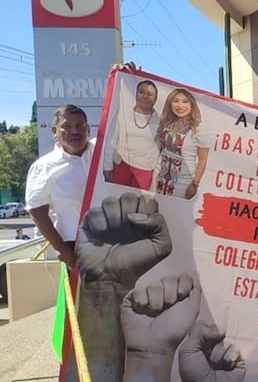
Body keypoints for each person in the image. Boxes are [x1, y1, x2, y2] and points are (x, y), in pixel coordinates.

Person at [26, 105, 95, 267]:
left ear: (88, 130)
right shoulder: (43, 167)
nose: (74, 131)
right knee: (79, 293)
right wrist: (61, 248)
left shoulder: (103, 153)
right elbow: (36, 210)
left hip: (113, 239)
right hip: (74, 245)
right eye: (66, 127)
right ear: (54, 131)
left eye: (80, 126)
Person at [154, 88, 211, 198]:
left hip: (183, 182)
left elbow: (202, 160)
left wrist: (195, 184)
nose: (180, 106)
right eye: (176, 101)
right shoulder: (166, 122)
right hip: (158, 177)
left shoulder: (199, 127)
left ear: (192, 105)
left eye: (185, 102)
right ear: (170, 104)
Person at [104, 79, 160, 189]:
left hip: (145, 169)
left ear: (155, 98)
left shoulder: (160, 120)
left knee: (138, 204)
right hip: (121, 164)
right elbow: (111, 139)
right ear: (135, 93)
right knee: (118, 201)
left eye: (149, 94)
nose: (145, 96)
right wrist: (107, 166)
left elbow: (161, 147)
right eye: (141, 92)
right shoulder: (122, 112)